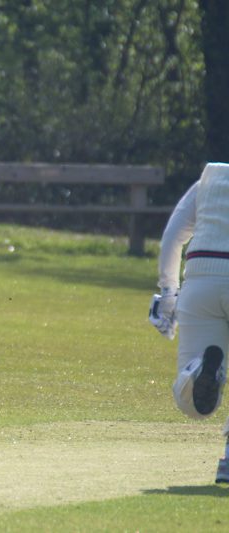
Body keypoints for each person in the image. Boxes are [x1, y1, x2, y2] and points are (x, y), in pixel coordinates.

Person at [149, 161, 229, 483]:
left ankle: (199, 371)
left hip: (200, 283)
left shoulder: (208, 181)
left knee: (193, 405)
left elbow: (172, 237)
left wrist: (169, 293)